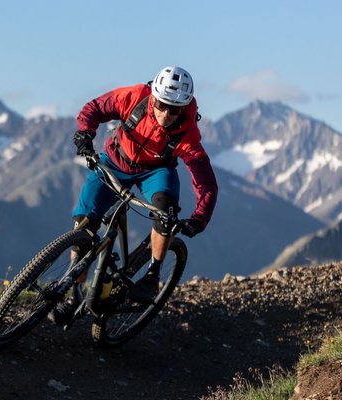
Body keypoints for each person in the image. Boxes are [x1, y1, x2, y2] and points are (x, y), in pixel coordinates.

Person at [49, 66, 219, 325]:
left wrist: (199, 218)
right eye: (162, 105)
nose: (165, 114)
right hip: (115, 161)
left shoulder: (188, 133)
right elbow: (94, 108)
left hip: (155, 172)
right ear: (153, 97)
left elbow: (205, 181)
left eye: (174, 110)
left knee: (166, 212)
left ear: (184, 109)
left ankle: (152, 274)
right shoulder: (135, 96)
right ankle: (74, 294)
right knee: (84, 225)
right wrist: (85, 132)